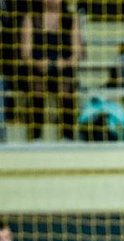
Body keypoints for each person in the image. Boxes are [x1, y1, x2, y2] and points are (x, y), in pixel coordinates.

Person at [20, 0, 83, 141]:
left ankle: (67, 136)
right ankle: (35, 136)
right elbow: (25, 53)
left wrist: (66, 62)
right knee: (37, 84)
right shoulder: (31, 18)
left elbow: (77, 52)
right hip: (37, 67)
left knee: (65, 85)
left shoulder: (72, 19)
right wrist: (37, 63)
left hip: (63, 67)